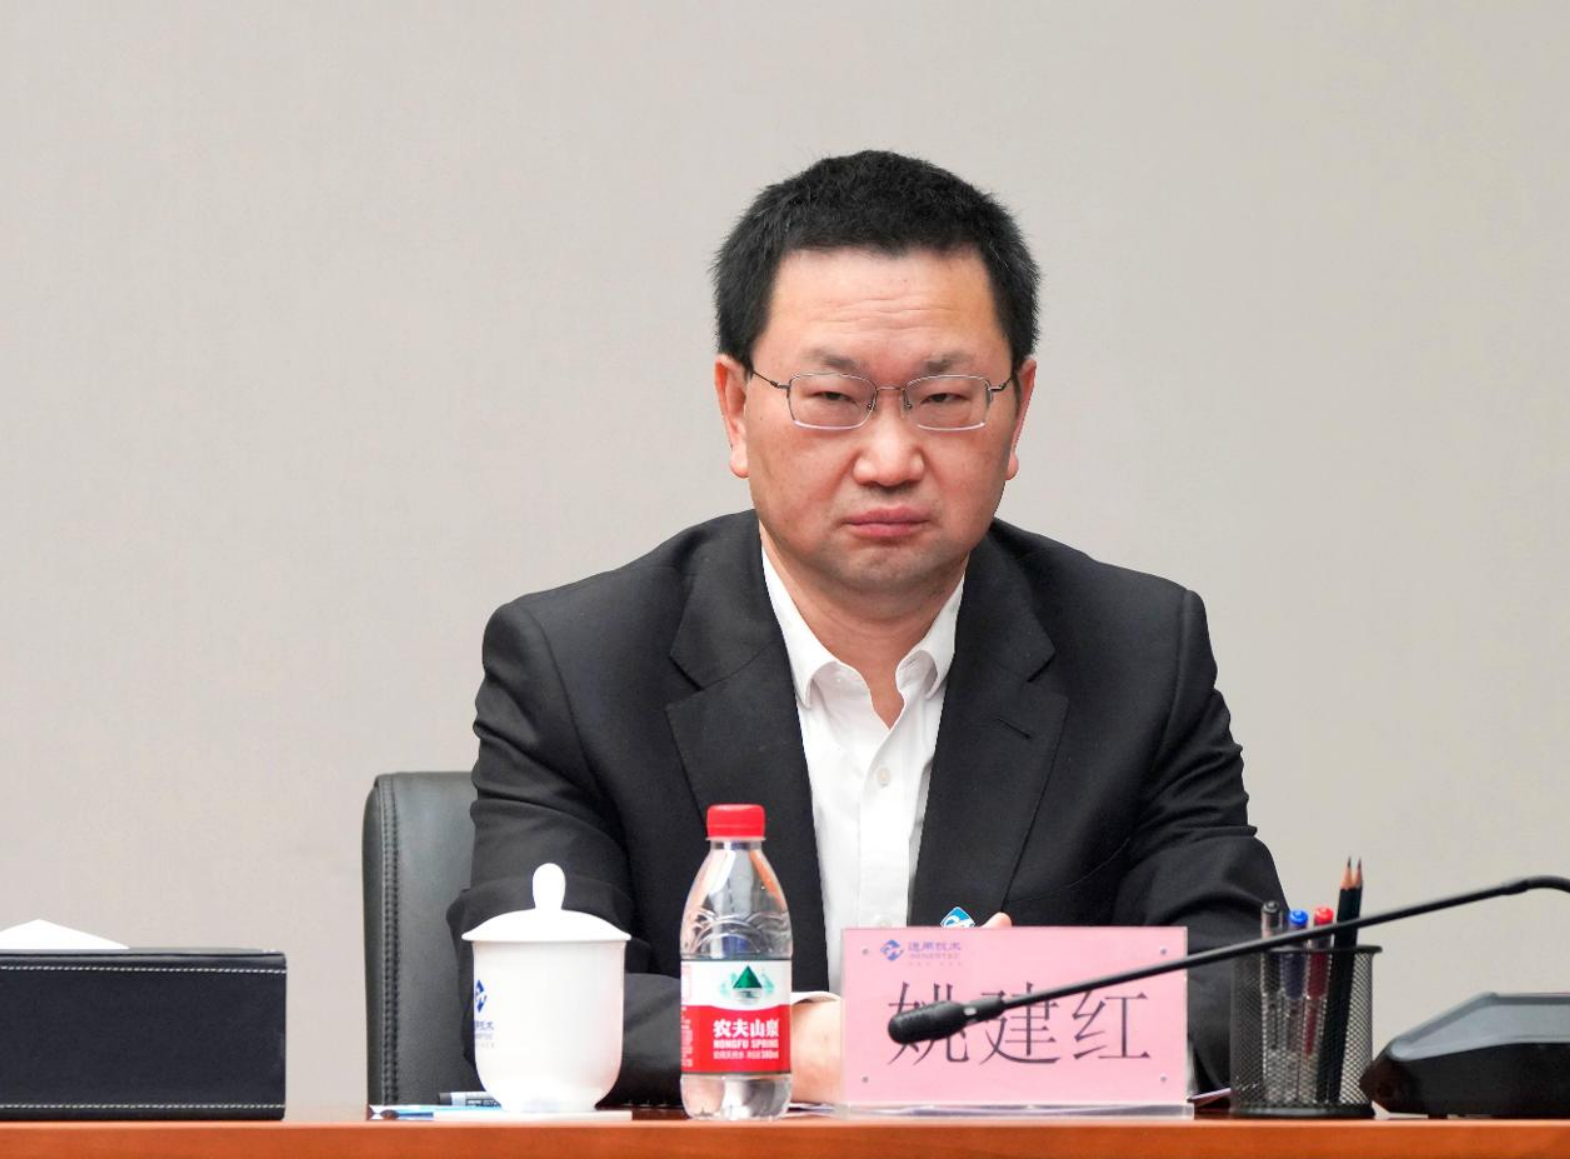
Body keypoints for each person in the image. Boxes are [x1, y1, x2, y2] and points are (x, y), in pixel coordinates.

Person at [447, 150, 1284, 1105]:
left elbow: (1241, 990)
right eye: (834, 400)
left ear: (1017, 414)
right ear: (736, 409)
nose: (890, 459)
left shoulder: (1137, 655)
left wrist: (986, 1027)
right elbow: (531, 1004)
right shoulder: (580, 666)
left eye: (944, 400)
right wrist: (812, 1039)